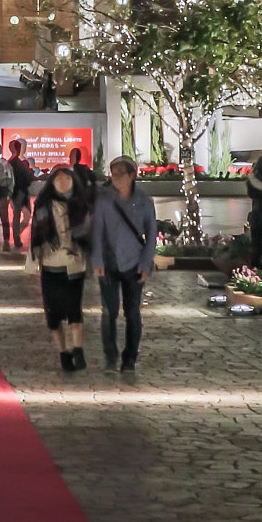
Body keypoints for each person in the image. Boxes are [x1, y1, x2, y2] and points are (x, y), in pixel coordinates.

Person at [90, 155, 158, 374]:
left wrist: (145, 265)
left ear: (132, 175)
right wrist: (97, 261)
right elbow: (96, 233)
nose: (116, 178)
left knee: (132, 312)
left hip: (133, 264)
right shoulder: (104, 201)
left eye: (120, 173)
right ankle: (110, 355)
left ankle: (130, 357)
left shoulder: (144, 202)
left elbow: (151, 237)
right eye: (113, 173)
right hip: (109, 264)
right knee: (109, 311)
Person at [29, 163, 94, 372]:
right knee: (53, 315)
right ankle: (63, 352)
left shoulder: (81, 205)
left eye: (67, 179)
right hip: (50, 265)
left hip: (74, 264)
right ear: (52, 183)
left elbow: (89, 234)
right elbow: (37, 235)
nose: (64, 183)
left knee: (75, 311)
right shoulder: (43, 205)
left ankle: (78, 349)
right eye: (59, 180)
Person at [7, 138, 36, 250]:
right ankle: (16, 237)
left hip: (20, 192)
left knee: (22, 215)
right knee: (19, 215)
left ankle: (16, 235)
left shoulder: (15, 162)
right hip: (18, 192)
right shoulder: (14, 163)